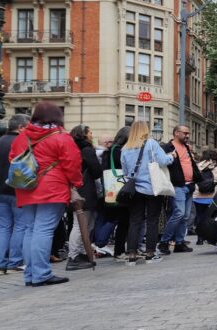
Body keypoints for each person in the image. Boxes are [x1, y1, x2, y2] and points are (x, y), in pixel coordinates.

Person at [11, 101, 82, 287]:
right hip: (52, 188)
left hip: (26, 186)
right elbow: (72, 164)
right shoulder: (61, 137)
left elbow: (14, 158)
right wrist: (76, 183)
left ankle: (30, 274)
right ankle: (42, 273)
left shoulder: (22, 136)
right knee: (43, 229)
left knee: (29, 230)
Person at [121, 121, 175, 265]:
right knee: (152, 221)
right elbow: (164, 161)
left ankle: (131, 255)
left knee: (134, 221)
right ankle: (150, 253)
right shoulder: (151, 144)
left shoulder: (126, 148)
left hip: (134, 189)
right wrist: (172, 157)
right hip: (152, 188)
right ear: (146, 130)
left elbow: (126, 171)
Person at [159, 125, 201, 254]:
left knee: (185, 216)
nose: (188, 135)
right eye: (185, 133)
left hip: (189, 185)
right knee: (179, 214)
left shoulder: (186, 147)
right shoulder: (167, 148)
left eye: (188, 133)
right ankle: (164, 242)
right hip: (177, 186)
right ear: (176, 133)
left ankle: (179, 243)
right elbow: (161, 164)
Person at [66, 125, 103, 271]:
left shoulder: (73, 148)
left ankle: (80, 253)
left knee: (82, 224)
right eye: (90, 132)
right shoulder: (87, 150)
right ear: (84, 135)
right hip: (85, 191)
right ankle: (74, 255)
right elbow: (96, 171)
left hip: (76, 189)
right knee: (81, 224)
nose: (92, 134)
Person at [0, 114, 31, 274]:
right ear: (21, 127)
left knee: (3, 227)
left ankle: (0, 262)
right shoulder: (22, 142)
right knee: (20, 225)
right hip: (17, 190)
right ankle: (15, 261)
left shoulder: (0, 141)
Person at [97, 126, 131, 260]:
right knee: (123, 221)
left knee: (113, 219)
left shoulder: (108, 151)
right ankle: (117, 250)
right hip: (121, 190)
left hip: (110, 190)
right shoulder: (120, 152)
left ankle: (104, 244)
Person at [192, 149, 217, 245]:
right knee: (211, 217)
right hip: (213, 197)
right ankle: (210, 236)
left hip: (198, 197)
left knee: (199, 217)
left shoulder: (198, 166)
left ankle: (200, 238)